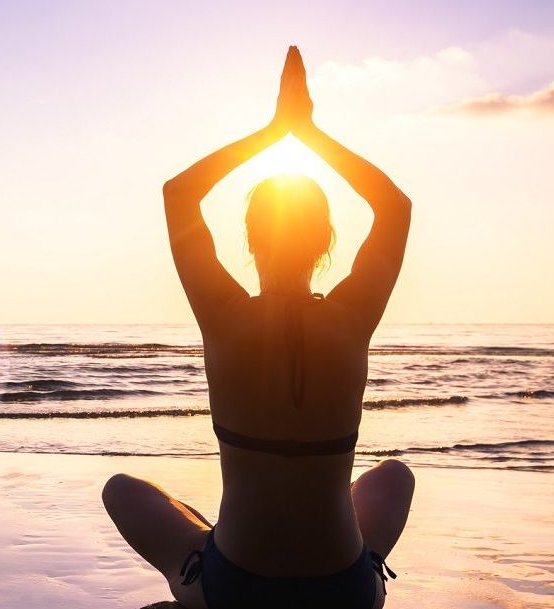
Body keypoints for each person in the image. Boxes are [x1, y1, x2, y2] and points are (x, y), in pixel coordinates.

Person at [102, 46, 415, 609]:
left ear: (248, 238)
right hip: (342, 592)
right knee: (395, 477)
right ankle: (366, 565)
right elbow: (394, 207)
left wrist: (274, 131)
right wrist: (309, 132)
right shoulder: (352, 318)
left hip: (234, 589)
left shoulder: (223, 317)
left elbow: (178, 194)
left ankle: (204, 549)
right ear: (325, 244)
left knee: (122, 491)